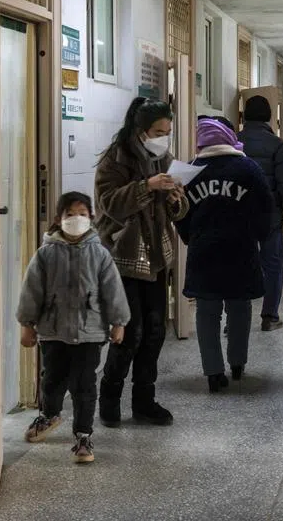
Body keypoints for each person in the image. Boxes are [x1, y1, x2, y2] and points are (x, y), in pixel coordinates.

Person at [16, 192, 130, 463]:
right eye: (69, 214)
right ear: (58, 219)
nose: (76, 219)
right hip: (53, 331)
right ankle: (50, 414)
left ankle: (83, 436)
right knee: (52, 378)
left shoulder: (100, 254)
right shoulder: (45, 254)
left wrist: (119, 322)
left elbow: (112, 290)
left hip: (90, 332)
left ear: (91, 218)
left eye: (82, 213)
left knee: (84, 385)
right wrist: (26, 324)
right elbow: (32, 291)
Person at [94, 97, 186, 427]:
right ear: (140, 130)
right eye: (159, 132)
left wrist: (176, 198)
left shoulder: (164, 159)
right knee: (129, 333)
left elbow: (176, 212)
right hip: (123, 258)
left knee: (156, 331)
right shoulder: (114, 160)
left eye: (168, 132)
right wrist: (146, 186)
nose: (164, 138)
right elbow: (109, 205)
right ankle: (109, 397)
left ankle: (144, 400)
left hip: (157, 257)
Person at [175, 117, 274, 392]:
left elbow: (178, 211)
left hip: (203, 250)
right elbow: (266, 208)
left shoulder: (187, 171)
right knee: (239, 309)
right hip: (240, 249)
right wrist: (259, 236)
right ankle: (238, 363)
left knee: (207, 312)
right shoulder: (249, 168)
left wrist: (189, 236)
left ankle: (213, 372)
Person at [238, 96, 283, 331]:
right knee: (272, 264)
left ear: (244, 116)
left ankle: (235, 316)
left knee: (240, 263)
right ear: (270, 117)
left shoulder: (233, 141)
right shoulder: (277, 145)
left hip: (237, 213)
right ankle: (270, 316)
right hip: (269, 214)